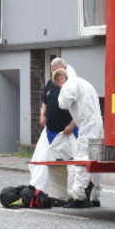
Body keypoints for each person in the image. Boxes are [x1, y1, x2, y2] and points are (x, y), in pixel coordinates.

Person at [54, 68, 102, 208]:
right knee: (96, 159)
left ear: (60, 79)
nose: (60, 87)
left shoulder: (70, 84)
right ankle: (95, 197)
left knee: (82, 157)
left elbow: (63, 103)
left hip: (87, 124)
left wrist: (62, 90)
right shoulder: (85, 82)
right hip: (97, 123)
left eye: (58, 85)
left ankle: (79, 197)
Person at [28, 58, 78, 191]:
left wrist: (72, 125)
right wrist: (42, 114)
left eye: (59, 71)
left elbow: (80, 110)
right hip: (50, 131)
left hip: (68, 132)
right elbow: (45, 101)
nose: (56, 74)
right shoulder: (50, 83)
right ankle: (39, 189)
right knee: (41, 160)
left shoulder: (72, 85)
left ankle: (76, 194)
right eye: (54, 71)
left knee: (74, 164)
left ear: (65, 70)